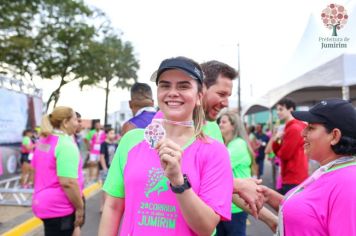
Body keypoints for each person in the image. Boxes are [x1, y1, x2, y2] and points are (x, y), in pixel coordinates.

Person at [99, 56, 233, 236]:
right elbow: (113, 207)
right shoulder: (131, 140)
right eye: (165, 85)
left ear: (199, 96)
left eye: (183, 86)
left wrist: (178, 181)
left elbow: (206, 227)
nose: (172, 92)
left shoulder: (215, 151)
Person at [262, 98, 356, 235]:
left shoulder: (349, 183)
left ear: (334, 136)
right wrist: (269, 196)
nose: (303, 133)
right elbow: (311, 214)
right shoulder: (330, 170)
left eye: (311, 128)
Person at [218, 111, 277, 235]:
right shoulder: (228, 144)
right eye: (220, 122)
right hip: (226, 205)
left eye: (224, 122)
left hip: (235, 207)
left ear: (233, 126)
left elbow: (216, 167)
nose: (220, 125)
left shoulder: (238, 144)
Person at [31, 106, 84, 236]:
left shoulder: (43, 141)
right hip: (59, 207)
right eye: (75, 120)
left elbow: (35, 170)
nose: (78, 123)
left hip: (43, 202)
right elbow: (68, 182)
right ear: (65, 122)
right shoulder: (65, 145)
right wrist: (80, 207)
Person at [272, 98, 308, 195]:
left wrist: (276, 141)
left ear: (291, 110)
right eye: (277, 109)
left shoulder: (294, 128)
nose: (278, 112)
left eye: (281, 109)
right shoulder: (295, 126)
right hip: (296, 175)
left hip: (293, 177)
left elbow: (284, 155)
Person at [99, 128, 118, 212]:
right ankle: (103, 205)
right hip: (106, 168)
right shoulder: (103, 144)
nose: (112, 135)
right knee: (105, 188)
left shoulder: (116, 145)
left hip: (113, 169)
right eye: (111, 133)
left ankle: (108, 205)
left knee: (111, 188)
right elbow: (102, 157)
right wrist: (104, 169)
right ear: (106, 134)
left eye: (113, 133)